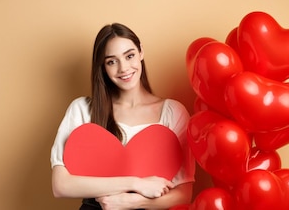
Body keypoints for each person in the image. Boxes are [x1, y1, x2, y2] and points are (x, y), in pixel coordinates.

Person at [50, 23, 195, 210]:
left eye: (130, 56)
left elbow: (184, 194)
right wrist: (135, 184)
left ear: (141, 52)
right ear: (102, 67)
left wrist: (134, 201)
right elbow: (61, 185)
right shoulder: (82, 110)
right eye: (112, 61)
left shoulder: (173, 112)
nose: (123, 68)